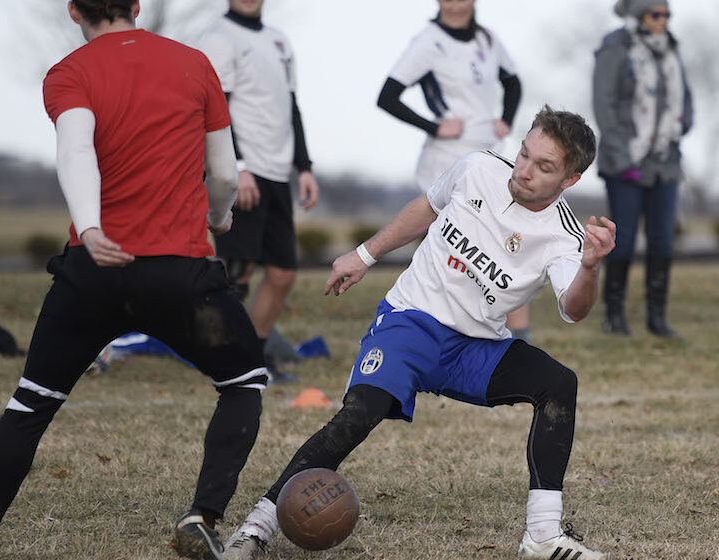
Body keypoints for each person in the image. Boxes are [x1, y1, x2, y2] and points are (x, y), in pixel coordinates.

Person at [0, 2, 268, 559]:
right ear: (137, 5)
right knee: (244, 381)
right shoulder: (195, 64)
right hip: (180, 277)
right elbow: (221, 171)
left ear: (73, 10)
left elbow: (74, 150)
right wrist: (219, 218)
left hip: (90, 276)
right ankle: (202, 515)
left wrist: (91, 229)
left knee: (31, 403)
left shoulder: (70, 72)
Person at [223, 106, 617, 560]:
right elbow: (427, 208)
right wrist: (363, 256)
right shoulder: (477, 168)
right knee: (359, 413)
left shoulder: (566, 236)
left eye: (544, 167)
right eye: (525, 154)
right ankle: (256, 526)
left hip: (476, 347)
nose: (524, 171)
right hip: (411, 321)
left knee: (559, 383)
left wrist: (589, 267)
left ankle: (544, 536)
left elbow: (574, 308)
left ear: (570, 180)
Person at [377, 0, 532, 342]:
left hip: (489, 156)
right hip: (444, 161)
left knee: (504, 247)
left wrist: (505, 119)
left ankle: (519, 344)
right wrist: (433, 126)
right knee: (439, 254)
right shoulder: (428, 41)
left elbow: (514, 81)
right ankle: (416, 332)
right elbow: (387, 96)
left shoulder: (487, 40)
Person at [197, 0, 320, 383]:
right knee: (238, 269)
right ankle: (225, 357)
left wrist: (304, 167)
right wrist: (237, 167)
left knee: (283, 273)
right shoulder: (218, 39)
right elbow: (214, 108)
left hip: (278, 172)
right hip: (243, 170)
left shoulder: (279, 41)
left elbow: (292, 107)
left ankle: (256, 352)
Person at [593, 0, 693, 338]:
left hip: (665, 162)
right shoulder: (614, 48)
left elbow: (685, 101)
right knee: (622, 242)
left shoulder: (671, 50)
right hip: (627, 164)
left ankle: (657, 318)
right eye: (655, 14)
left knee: (662, 241)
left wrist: (678, 130)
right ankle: (614, 317)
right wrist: (623, 160)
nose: (662, 20)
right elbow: (604, 106)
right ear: (638, 16)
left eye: (667, 14)